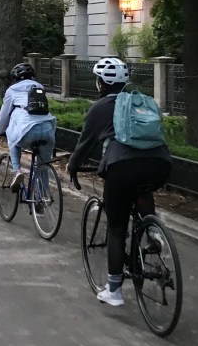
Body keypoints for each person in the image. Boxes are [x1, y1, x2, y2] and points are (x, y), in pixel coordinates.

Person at [67, 57, 172, 307]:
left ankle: (114, 290)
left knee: (116, 228)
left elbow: (86, 143)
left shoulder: (100, 107)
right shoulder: (144, 102)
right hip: (159, 164)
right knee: (143, 186)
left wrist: (72, 166)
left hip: (122, 167)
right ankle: (153, 230)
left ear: (100, 83)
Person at [0, 63, 56, 194]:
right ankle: (41, 200)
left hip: (27, 131)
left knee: (11, 135)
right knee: (42, 167)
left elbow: (4, 115)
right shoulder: (40, 88)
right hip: (48, 129)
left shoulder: (12, 90)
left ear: (15, 78)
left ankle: (16, 171)